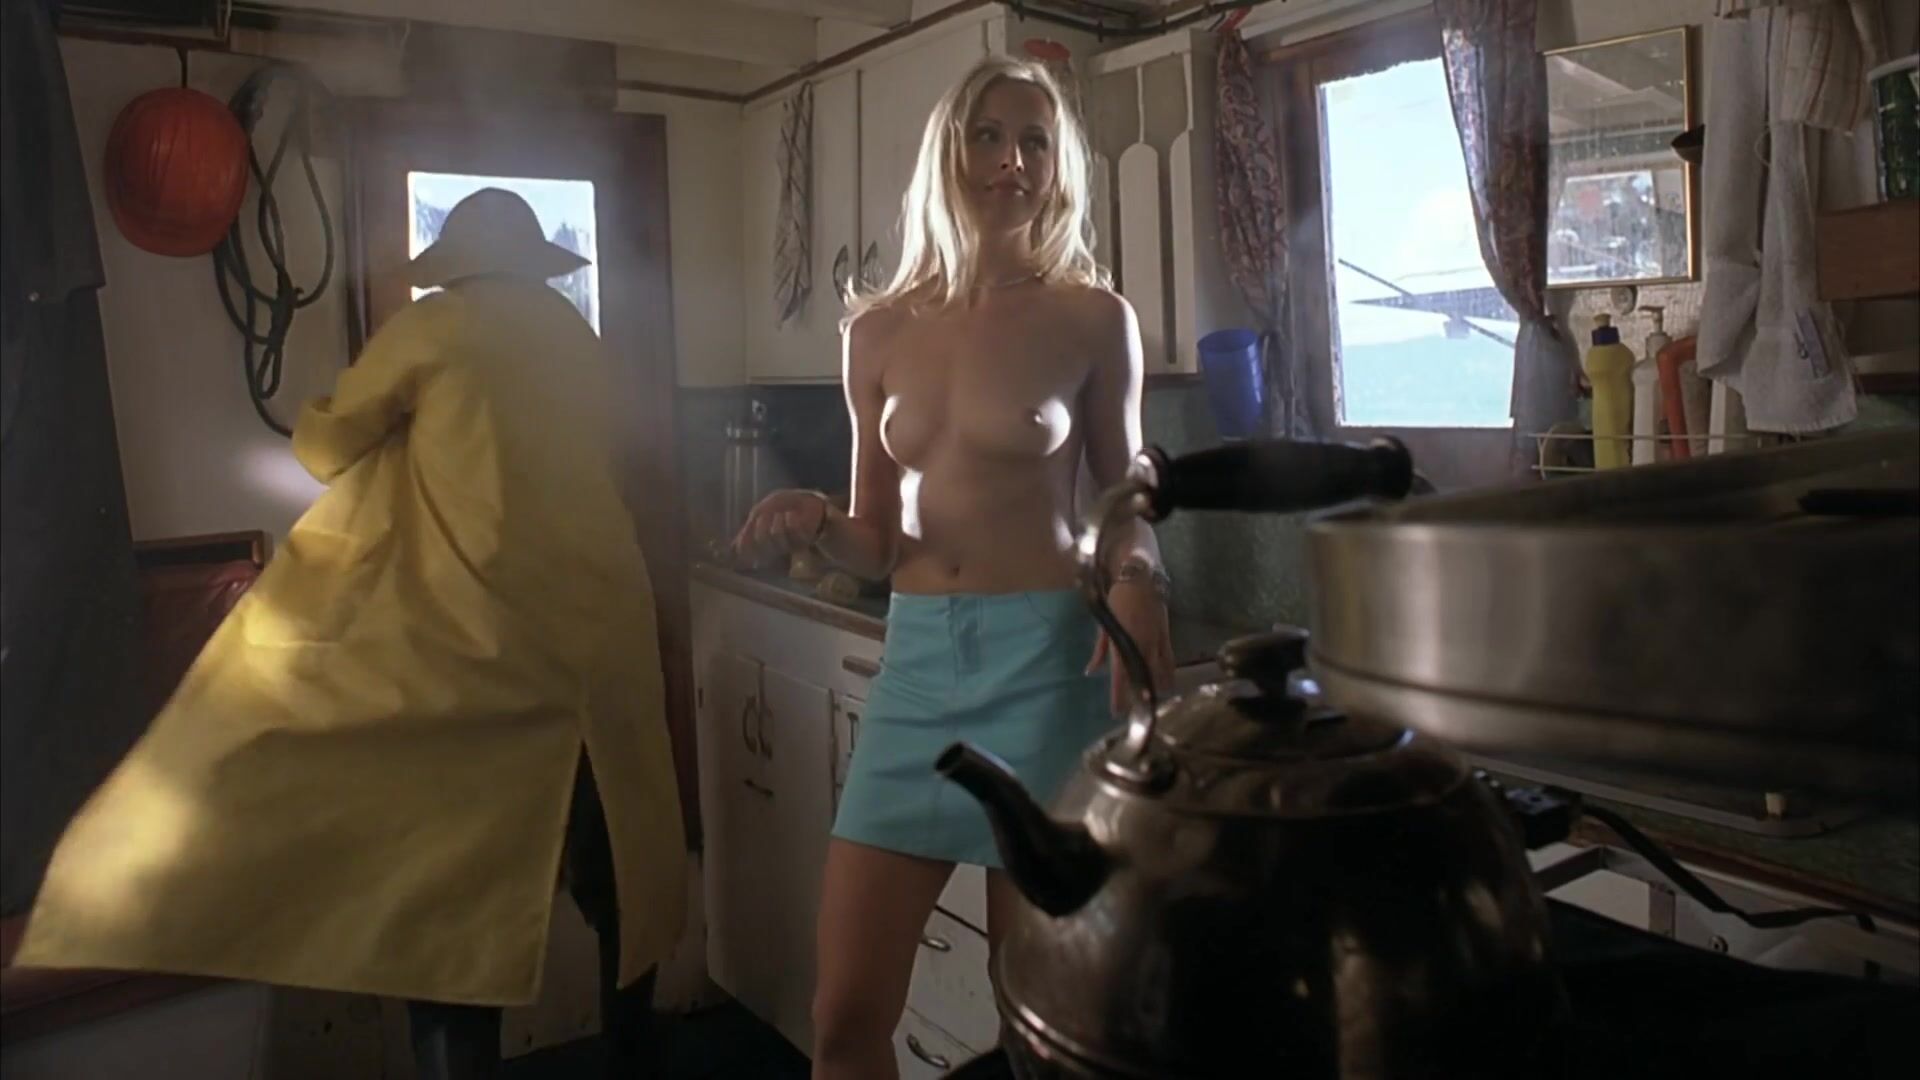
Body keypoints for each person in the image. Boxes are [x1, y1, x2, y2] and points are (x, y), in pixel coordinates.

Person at [15, 189, 687, 1080]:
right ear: (534, 262)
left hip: (486, 648)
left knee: (447, 907)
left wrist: (361, 420)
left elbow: (327, 448)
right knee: (621, 875)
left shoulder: (435, 328)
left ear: (454, 265)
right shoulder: (579, 339)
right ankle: (636, 1059)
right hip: (607, 637)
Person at [734, 56, 1175, 1079]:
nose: (1011, 160)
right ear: (949, 151)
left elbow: (1129, 504)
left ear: (1057, 168)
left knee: (1039, 1025)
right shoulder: (876, 332)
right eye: (988, 134)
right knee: (844, 1016)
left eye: (1034, 141)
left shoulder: (1092, 317)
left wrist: (1142, 580)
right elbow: (877, 541)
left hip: (1051, 672)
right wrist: (818, 521)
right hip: (920, 671)